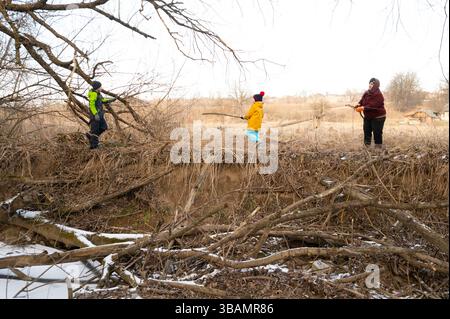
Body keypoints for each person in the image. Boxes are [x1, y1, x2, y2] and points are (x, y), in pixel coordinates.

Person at [355, 78, 386, 148]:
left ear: (376, 85)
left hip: (378, 117)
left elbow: (373, 105)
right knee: (366, 131)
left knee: (377, 133)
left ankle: (378, 149)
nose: (370, 85)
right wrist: (358, 104)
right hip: (368, 116)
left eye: (372, 84)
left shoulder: (379, 95)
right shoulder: (367, 93)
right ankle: (367, 148)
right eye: (370, 83)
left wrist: (363, 108)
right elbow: (362, 100)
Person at [86, 81, 116, 149]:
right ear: (97, 87)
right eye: (100, 87)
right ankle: (94, 146)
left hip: (100, 115)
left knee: (104, 127)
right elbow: (91, 105)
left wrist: (111, 100)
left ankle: (90, 135)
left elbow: (103, 100)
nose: (101, 88)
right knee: (95, 130)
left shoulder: (98, 93)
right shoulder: (93, 94)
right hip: (95, 116)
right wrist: (95, 114)